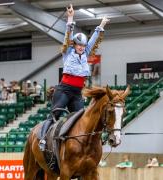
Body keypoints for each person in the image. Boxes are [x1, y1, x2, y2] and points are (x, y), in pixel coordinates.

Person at [39, 4, 109, 151]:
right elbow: (68, 34)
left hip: (77, 93)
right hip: (64, 90)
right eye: (79, 45)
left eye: (83, 46)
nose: (82, 47)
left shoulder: (86, 53)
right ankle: (43, 139)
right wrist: (70, 17)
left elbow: (94, 39)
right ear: (74, 45)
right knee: (55, 113)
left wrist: (101, 24)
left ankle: (80, 145)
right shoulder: (68, 51)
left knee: (82, 118)